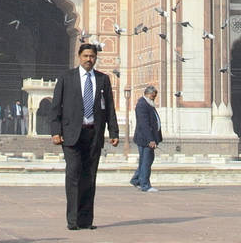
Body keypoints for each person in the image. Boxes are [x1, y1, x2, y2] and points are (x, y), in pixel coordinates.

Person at [50, 40, 119, 230]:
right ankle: (72, 220)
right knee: (73, 175)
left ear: (96, 59)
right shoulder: (66, 78)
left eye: (92, 56)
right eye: (86, 56)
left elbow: (109, 108)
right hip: (72, 134)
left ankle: (86, 220)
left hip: (93, 134)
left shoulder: (103, 79)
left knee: (89, 177)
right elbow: (55, 106)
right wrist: (55, 131)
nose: (89, 59)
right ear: (79, 57)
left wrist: (113, 131)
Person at [129, 83, 163, 193]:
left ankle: (136, 180)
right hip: (145, 139)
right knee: (146, 161)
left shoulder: (148, 104)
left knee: (145, 161)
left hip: (148, 138)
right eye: (153, 96)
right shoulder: (142, 105)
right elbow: (144, 124)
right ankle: (145, 185)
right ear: (147, 94)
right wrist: (151, 140)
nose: (154, 98)